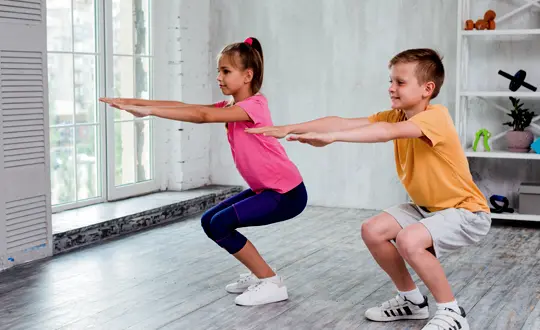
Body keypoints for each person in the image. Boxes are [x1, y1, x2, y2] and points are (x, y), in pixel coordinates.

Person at [247, 48, 490, 330]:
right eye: (391, 81)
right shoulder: (397, 116)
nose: (391, 88)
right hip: (428, 209)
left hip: (466, 212)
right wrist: (289, 128)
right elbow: (342, 121)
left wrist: (333, 138)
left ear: (427, 89)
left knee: (409, 240)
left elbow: (384, 133)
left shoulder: (436, 118)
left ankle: (452, 313)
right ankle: (412, 302)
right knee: (373, 230)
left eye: (400, 82)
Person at [99, 37, 308, 307]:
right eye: (218, 71)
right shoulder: (231, 107)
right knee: (210, 221)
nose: (219, 77)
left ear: (248, 75)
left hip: (286, 193)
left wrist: (149, 110)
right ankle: (261, 275)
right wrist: (134, 103)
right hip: (267, 190)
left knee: (221, 224)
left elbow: (201, 116)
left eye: (226, 71)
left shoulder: (254, 106)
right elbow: (185, 106)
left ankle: (271, 282)